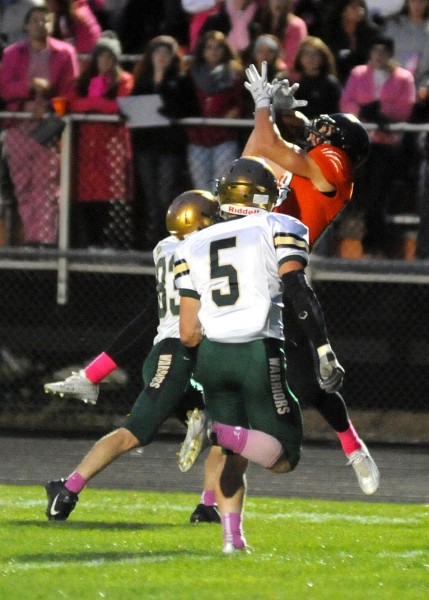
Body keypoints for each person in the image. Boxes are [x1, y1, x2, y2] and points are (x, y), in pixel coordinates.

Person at [181, 62, 380, 498]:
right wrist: (274, 115)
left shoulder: (334, 165)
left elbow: (274, 143)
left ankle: (353, 447)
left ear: (338, 144)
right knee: (204, 350)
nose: (315, 133)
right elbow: (255, 148)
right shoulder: (305, 165)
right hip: (248, 264)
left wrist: (268, 108)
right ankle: (210, 497)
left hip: (278, 270)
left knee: (308, 384)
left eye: (322, 130)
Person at [175, 155, 345, 553]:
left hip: (213, 355)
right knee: (285, 454)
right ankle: (214, 430)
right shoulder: (279, 225)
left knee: (237, 450)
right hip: (256, 349)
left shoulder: (194, 242)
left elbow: (187, 330)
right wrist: (322, 347)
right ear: (263, 195)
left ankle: (233, 541)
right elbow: (297, 290)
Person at [44, 190, 223, 523]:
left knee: (223, 428)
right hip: (185, 349)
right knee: (136, 432)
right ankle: (68, 489)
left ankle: (207, 505)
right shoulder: (205, 249)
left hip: (174, 349)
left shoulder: (165, 248)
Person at [0, 5, 79, 247]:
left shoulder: (65, 53)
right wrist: (27, 87)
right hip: (19, 126)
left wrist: (51, 110)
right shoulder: (13, 53)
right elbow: (4, 88)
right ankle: (27, 239)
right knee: (23, 184)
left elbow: (70, 94)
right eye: (34, 20)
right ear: (25, 25)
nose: (40, 24)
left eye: (45, 20)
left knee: (47, 186)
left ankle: (43, 241)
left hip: (48, 127)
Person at [340, 35, 416, 256]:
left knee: (377, 197)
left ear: (390, 54)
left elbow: (406, 109)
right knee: (358, 196)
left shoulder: (403, 78)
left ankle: (375, 248)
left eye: (384, 51)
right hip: (360, 144)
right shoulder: (358, 74)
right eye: (375, 50)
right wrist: (363, 111)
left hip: (386, 146)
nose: (379, 55)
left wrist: (380, 111)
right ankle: (355, 247)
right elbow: (346, 101)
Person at [66, 30, 134, 249]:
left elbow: (121, 106)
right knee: (86, 196)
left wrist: (92, 104)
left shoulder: (124, 80)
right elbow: (72, 103)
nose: (105, 60)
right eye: (101, 55)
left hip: (111, 148)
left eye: (110, 56)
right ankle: (91, 241)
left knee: (108, 196)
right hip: (87, 148)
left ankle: (108, 242)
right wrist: (97, 104)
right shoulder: (84, 80)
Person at [130, 35, 199, 250]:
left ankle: (166, 239)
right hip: (146, 146)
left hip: (169, 146)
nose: (161, 57)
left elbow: (189, 108)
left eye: (166, 53)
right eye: (157, 53)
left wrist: (165, 106)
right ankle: (150, 240)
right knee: (150, 195)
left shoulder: (181, 80)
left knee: (165, 194)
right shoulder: (142, 81)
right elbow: (134, 105)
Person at [186, 29, 245, 193]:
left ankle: (220, 218)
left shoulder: (235, 74)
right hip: (198, 137)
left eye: (218, 47)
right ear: (202, 51)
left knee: (221, 185)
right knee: (201, 187)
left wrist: (234, 112)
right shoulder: (192, 74)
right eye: (209, 47)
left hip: (224, 137)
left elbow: (240, 102)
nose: (213, 51)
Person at [321, 0, 381, 84]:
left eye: (361, 6)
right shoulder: (331, 32)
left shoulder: (371, 32)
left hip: (367, 81)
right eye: (354, 7)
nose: (360, 10)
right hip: (338, 79)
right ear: (343, 11)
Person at [251, 0, 308, 79]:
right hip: (263, 74)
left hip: (287, 78)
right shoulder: (262, 23)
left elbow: (292, 59)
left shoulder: (296, 26)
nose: (278, 3)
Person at [290, 36, 342, 118]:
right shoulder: (296, 86)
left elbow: (336, 112)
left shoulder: (331, 84)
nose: (310, 58)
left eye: (315, 54)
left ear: (323, 58)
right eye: (306, 53)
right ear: (300, 58)